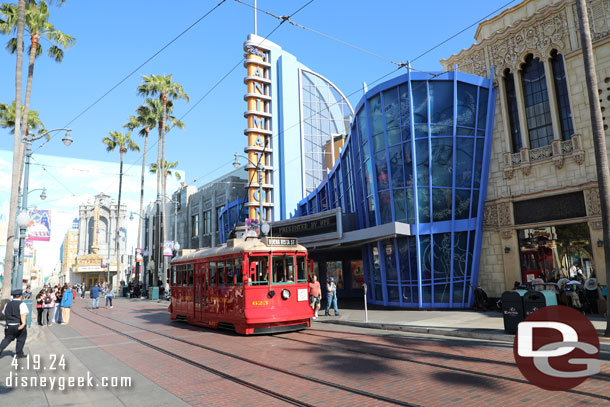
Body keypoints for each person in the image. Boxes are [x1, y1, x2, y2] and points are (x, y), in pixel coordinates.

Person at [0, 290, 29, 358]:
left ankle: (0, 348)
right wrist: (23, 324)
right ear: (20, 296)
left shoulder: (8, 304)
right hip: (18, 324)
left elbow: (4, 313)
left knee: (7, 338)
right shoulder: (22, 304)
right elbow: (23, 314)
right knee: (21, 338)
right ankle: (19, 353)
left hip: (9, 325)